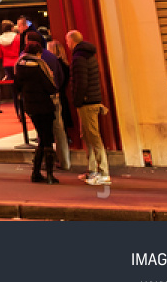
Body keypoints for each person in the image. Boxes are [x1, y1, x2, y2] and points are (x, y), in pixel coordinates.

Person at [13, 35, 59, 183]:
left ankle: (36, 173)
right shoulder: (39, 67)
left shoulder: (19, 66)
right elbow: (50, 88)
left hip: (30, 105)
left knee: (41, 137)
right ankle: (50, 175)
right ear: (38, 53)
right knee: (47, 139)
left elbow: (17, 87)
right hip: (44, 105)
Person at [66, 30, 108, 185]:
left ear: (72, 41)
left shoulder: (79, 58)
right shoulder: (88, 55)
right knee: (88, 137)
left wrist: (77, 101)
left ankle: (103, 172)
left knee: (93, 137)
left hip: (87, 103)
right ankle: (92, 171)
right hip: (91, 100)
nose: (67, 44)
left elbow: (80, 82)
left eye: (67, 41)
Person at [41, 33, 72, 171]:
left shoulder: (53, 64)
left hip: (55, 97)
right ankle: (64, 160)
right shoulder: (65, 64)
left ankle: (56, 160)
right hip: (63, 96)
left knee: (55, 129)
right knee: (61, 128)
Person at [0, 20, 27, 141]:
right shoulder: (18, 38)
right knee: (23, 86)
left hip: (7, 64)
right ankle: (25, 108)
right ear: (12, 27)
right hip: (18, 62)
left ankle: (18, 111)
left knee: (13, 89)